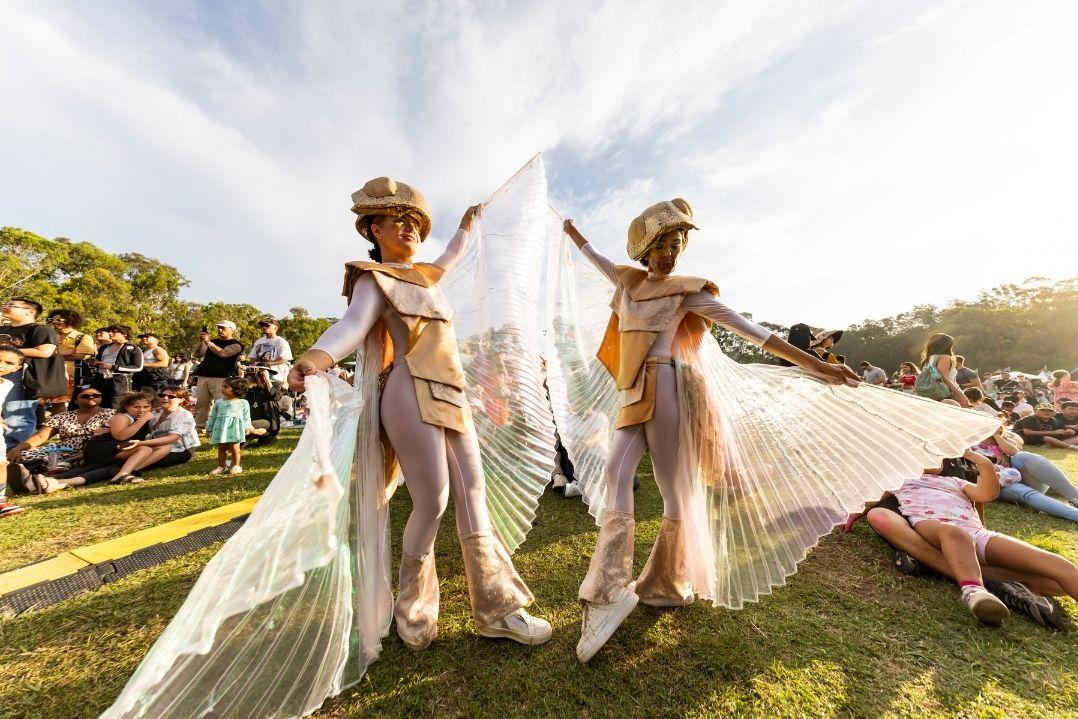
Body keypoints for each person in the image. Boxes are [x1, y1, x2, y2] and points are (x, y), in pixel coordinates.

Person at [101, 176, 552, 719]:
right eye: (395, 220)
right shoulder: (372, 277)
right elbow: (352, 325)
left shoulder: (428, 276)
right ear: (372, 228)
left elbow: (454, 256)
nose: (407, 227)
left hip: (452, 389)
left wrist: (467, 223)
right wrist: (316, 357)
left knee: (473, 494)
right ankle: (413, 607)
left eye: (414, 221)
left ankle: (497, 609)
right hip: (408, 389)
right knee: (431, 502)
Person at [560, 199, 998, 662]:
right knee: (615, 472)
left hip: (668, 384)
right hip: (634, 391)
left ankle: (664, 582)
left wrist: (819, 367)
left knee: (673, 491)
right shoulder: (628, 283)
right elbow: (601, 262)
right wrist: (574, 235)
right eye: (662, 244)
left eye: (677, 244)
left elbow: (756, 335)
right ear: (644, 248)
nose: (670, 253)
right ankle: (609, 589)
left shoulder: (689, 292)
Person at [887, 451, 1078, 625]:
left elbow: (987, 493)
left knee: (1059, 570)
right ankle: (974, 591)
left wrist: (983, 463)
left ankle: (1002, 580)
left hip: (978, 534)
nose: (935, 459)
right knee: (954, 533)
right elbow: (866, 501)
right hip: (935, 527)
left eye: (938, 455)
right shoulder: (899, 481)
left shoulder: (954, 481)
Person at [32, 390, 156, 492]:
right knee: (144, 449)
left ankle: (43, 481)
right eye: (137, 407)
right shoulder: (123, 417)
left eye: (146, 407)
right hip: (101, 447)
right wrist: (142, 420)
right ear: (127, 407)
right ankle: (122, 475)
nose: (142, 410)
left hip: (114, 448)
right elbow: (121, 436)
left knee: (88, 470)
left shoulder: (143, 417)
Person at [6, 386, 114, 484]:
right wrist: (18, 448)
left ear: (101, 398)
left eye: (96, 395)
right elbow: (40, 436)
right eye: (85, 396)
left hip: (91, 450)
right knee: (23, 455)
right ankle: (22, 472)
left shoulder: (111, 414)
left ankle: (41, 474)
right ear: (76, 400)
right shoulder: (62, 416)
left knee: (51, 461)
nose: (91, 398)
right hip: (64, 451)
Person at [971, 428, 1078, 519]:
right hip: (996, 481)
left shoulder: (1002, 439)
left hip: (1015, 473)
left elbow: (1015, 449)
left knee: (1021, 456)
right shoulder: (964, 444)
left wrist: (996, 436)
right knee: (1025, 492)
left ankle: (1075, 497)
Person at [0, 298, 61, 446]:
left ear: (30, 311)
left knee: (17, 414)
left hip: (20, 376)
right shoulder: (2, 329)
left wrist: (9, 353)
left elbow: (45, 351)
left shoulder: (40, 329)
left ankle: (15, 452)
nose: (5, 307)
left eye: (11, 305)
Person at [192, 320, 244, 430]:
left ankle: (223, 427)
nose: (220, 330)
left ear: (232, 330)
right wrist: (201, 341)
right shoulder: (211, 342)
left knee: (222, 404)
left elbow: (223, 353)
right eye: (219, 327)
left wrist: (209, 343)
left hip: (223, 378)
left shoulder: (236, 344)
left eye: (223, 328)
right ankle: (200, 427)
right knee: (202, 404)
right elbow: (197, 354)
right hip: (204, 376)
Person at [44, 308, 96, 414]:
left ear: (70, 320)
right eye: (52, 320)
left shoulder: (83, 337)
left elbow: (81, 356)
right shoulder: (50, 336)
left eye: (59, 320)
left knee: (68, 404)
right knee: (54, 403)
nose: (54, 322)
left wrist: (54, 356)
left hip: (72, 376)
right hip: (50, 374)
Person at [206, 377, 256, 475]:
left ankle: (236, 465)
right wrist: (209, 428)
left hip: (235, 429)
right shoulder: (219, 402)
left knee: (235, 448)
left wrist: (247, 427)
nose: (222, 389)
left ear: (237, 389)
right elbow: (213, 416)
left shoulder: (243, 403)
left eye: (226, 387)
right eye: (222, 386)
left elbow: (247, 416)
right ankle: (221, 466)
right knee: (221, 448)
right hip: (221, 429)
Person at [88, 325, 144, 409]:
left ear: (124, 334)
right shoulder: (104, 347)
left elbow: (138, 367)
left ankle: (118, 422)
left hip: (119, 382)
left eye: (114, 332)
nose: (110, 333)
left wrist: (113, 367)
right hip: (100, 379)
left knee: (116, 407)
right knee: (96, 405)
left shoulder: (133, 348)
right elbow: (98, 361)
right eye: (109, 331)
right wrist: (94, 362)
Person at [0, 346, 26, 518]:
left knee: (1, 463)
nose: (2, 365)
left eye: (9, 363)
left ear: (16, 368)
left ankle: (1, 501)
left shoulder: (7, 384)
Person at [915, 333, 971, 407]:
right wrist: (961, 395)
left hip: (929, 392)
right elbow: (945, 379)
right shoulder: (944, 357)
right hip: (945, 393)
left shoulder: (928, 359)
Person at [248, 317, 293, 385]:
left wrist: (268, 364)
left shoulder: (281, 342)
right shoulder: (258, 342)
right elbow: (252, 359)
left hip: (276, 377)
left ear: (275, 328)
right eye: (262, 325)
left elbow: (284, 359)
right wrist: (252, 365)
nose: (264, 327)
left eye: (267, 325)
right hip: (259, 377)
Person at [1013, 403, 1078, 449]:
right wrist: (1054, 432)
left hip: (1045, 437)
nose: (1046, 412)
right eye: (1043, 410)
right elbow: (1028, 432)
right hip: (1023, 436)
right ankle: (1071, 447)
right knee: (1047, 438)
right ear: (1035, 411)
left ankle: (1056, 444)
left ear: (1054, 412)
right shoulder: (1030, 418)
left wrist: (1068, 432)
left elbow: (1061, 431)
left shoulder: (1055, 421)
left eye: (1050, 411)